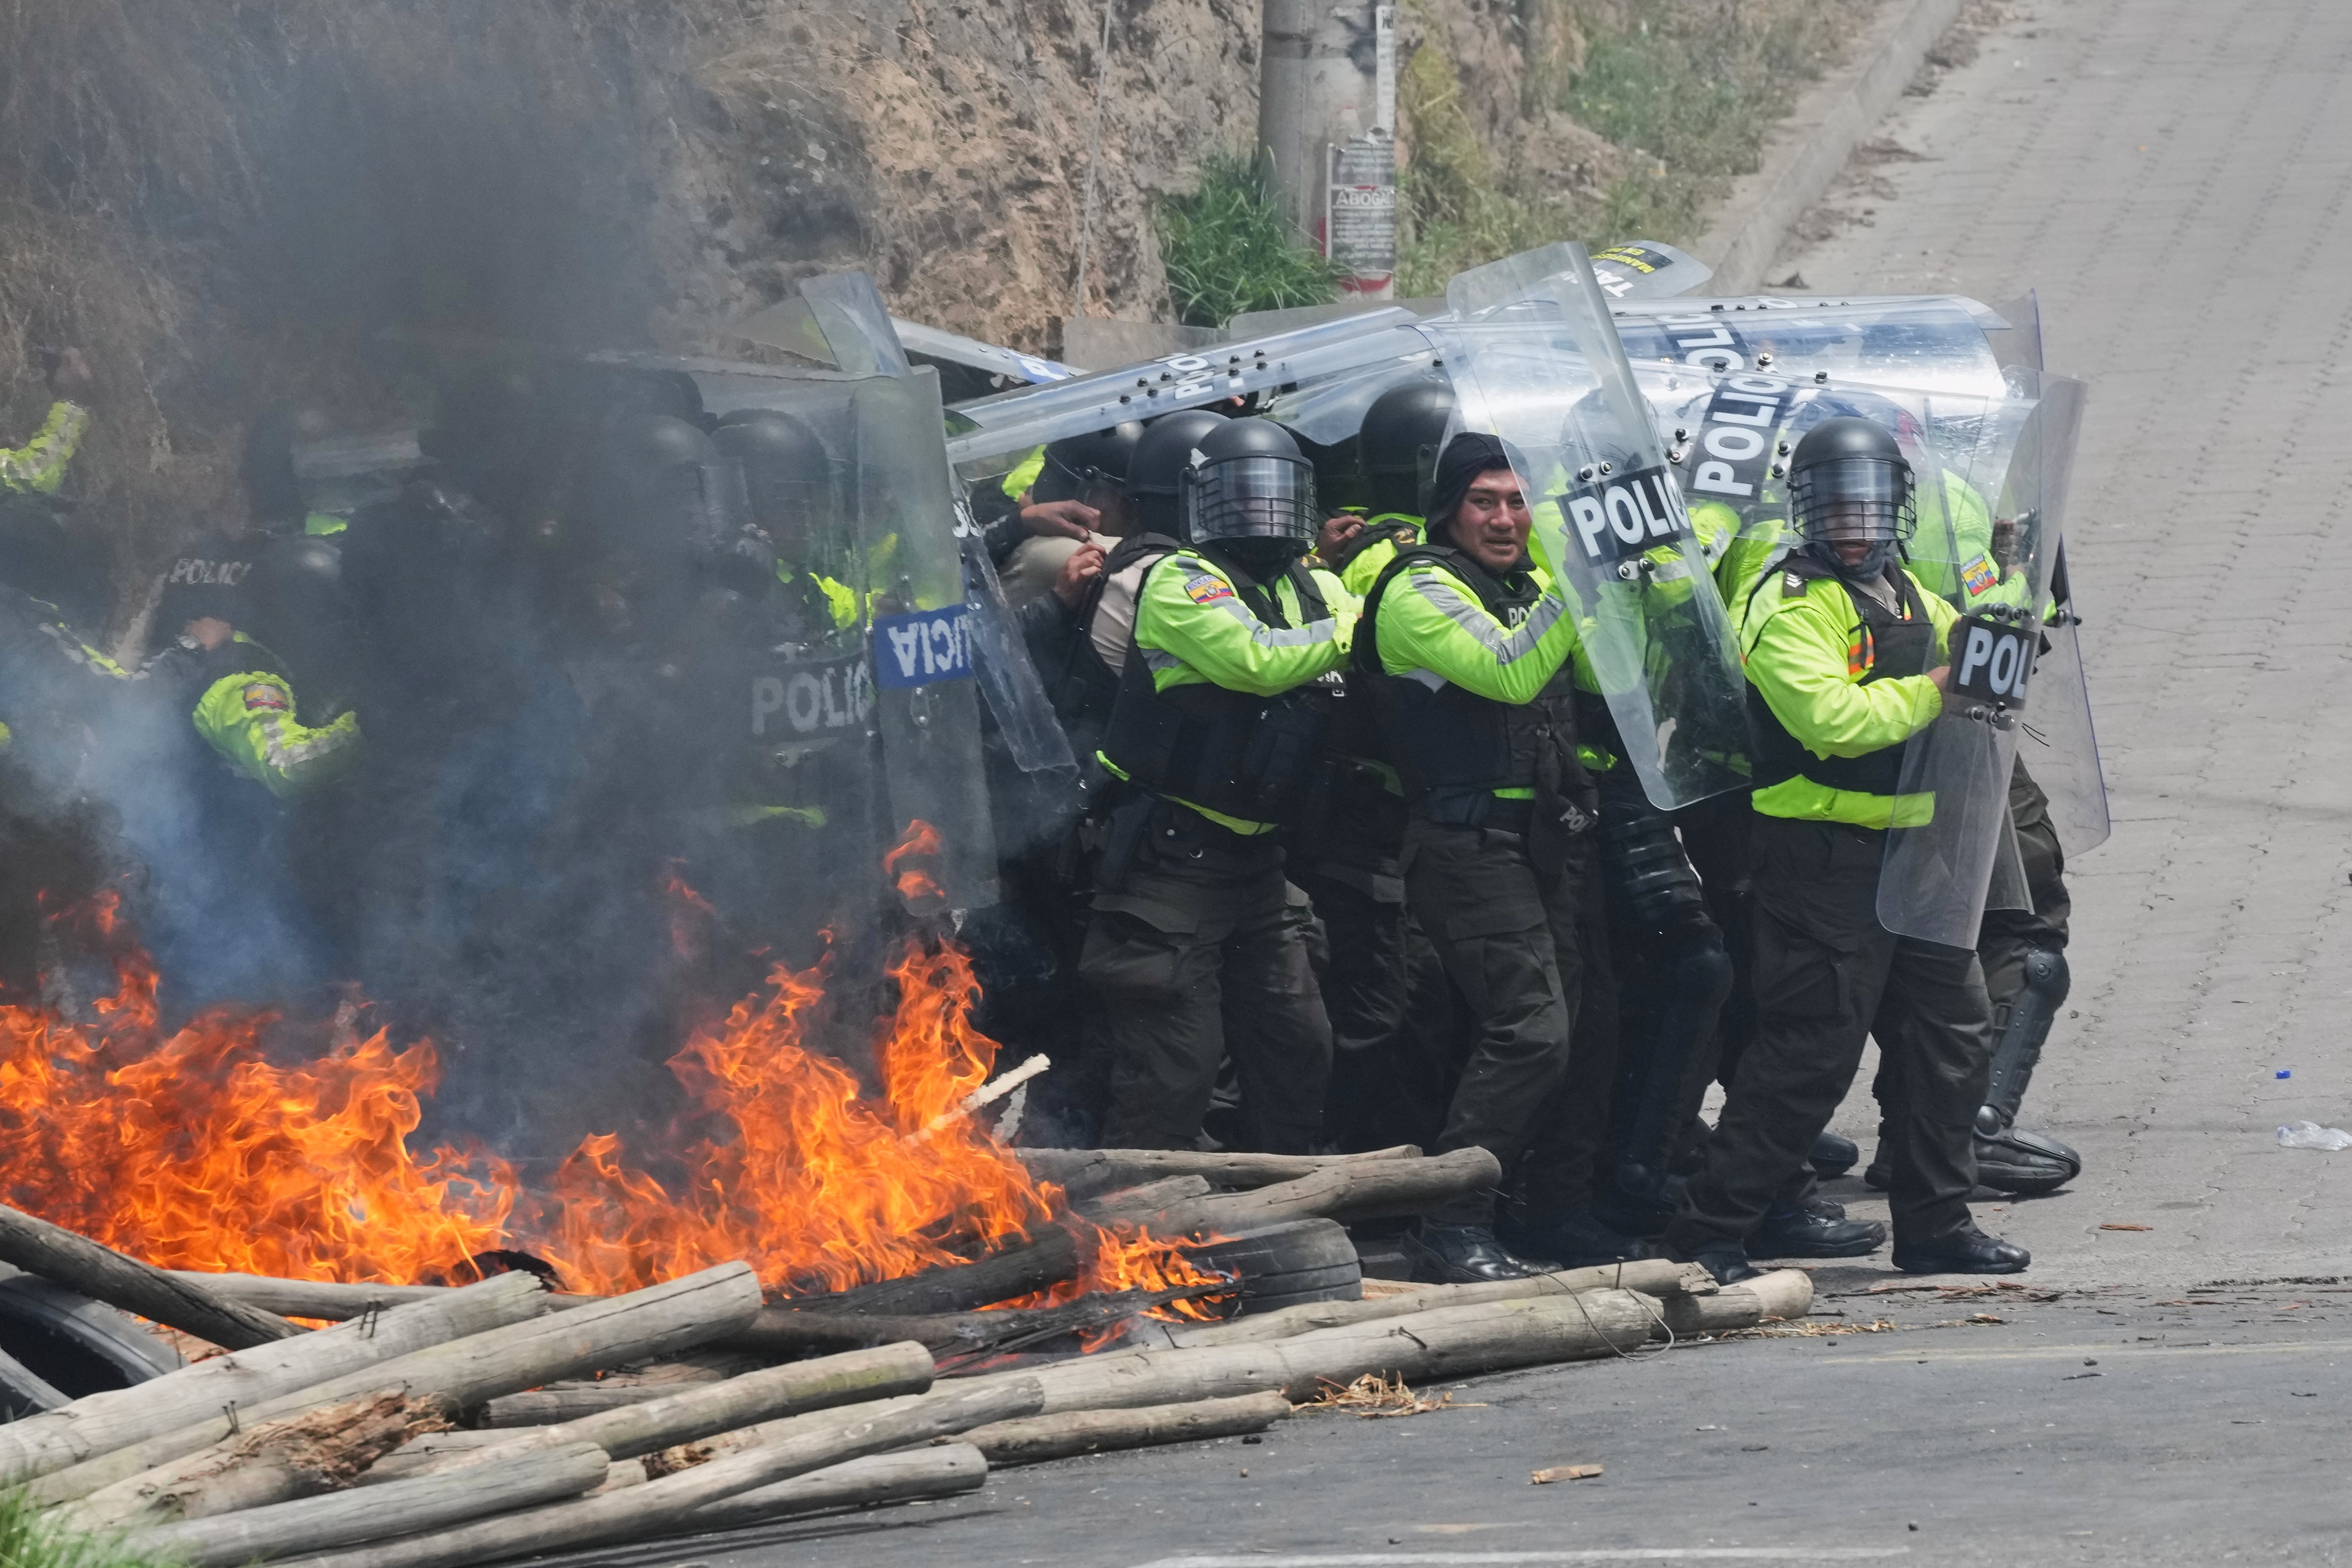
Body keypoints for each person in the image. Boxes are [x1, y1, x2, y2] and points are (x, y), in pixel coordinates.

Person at [1662, 416, 2028, 1282]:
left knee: (1950, 1040)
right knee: (1809, 1052)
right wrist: (1941, 685)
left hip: (1920, 852)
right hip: (1823, 858)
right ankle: (1709, 1232)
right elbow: (1831, 721)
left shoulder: (1913, 593)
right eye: (1837, 508)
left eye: (1870, 506)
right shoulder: (1789, 601)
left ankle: (1936, 1222)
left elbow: (1981, 654)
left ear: (1898, 508)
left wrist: (2014, 598)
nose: (1855, 525)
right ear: (1807, 509)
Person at [1353, 431, 1618, 1280]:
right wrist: (1578, 578)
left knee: (1580, 1029)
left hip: (1542, 840)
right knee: (1531, 1031)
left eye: (1516, 502)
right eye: (1483, 501)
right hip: (1464, 846)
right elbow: (1506, 670)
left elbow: (1594, 678)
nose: (1504, 519)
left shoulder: (1525, 587)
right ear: (1448, 509)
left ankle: (1545, 1208)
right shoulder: (1417, 586)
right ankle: (1450, 1222)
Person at [1077, 416, 1348, 1153]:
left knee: (1299, 1047)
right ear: (1203, 499)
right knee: (1176, 1070)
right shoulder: (1178, 580)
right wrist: (1349, 630)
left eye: (1276, 492)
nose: (1263, 510)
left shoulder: (1311, 581)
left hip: (1260, 864)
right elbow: (1256, 660)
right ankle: (1128, 1216)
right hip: (1171, 860)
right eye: (1244, 493)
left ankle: (1284, 1205)